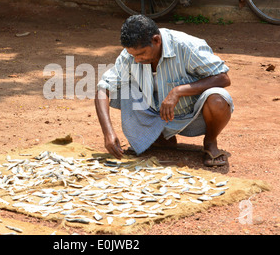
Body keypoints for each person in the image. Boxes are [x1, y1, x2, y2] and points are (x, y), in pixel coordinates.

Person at [95, 15, 234, 167]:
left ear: (156, 40)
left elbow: (223, 78)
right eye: (133, 55)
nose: (136, 60)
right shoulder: (130, 56)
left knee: (218, 99)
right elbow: (103, 89)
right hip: (157, 114)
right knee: (125, 86)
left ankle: (210, 142)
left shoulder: (186, 45)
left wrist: (178, 91)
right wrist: (107, 133)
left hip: (193, 115)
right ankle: (161, 138)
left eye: (141, 54)